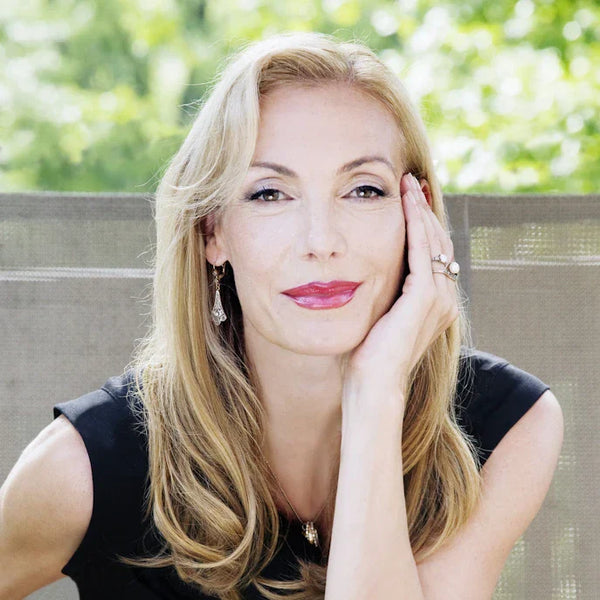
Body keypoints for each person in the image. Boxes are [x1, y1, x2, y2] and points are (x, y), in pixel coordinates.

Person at [0, 31, 563, 600]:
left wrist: (375, 392)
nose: (321, 242)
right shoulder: (82, 466)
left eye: (363, 190)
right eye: (269, 194)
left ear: (416, 215)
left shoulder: (507, 424)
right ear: (212, 232)